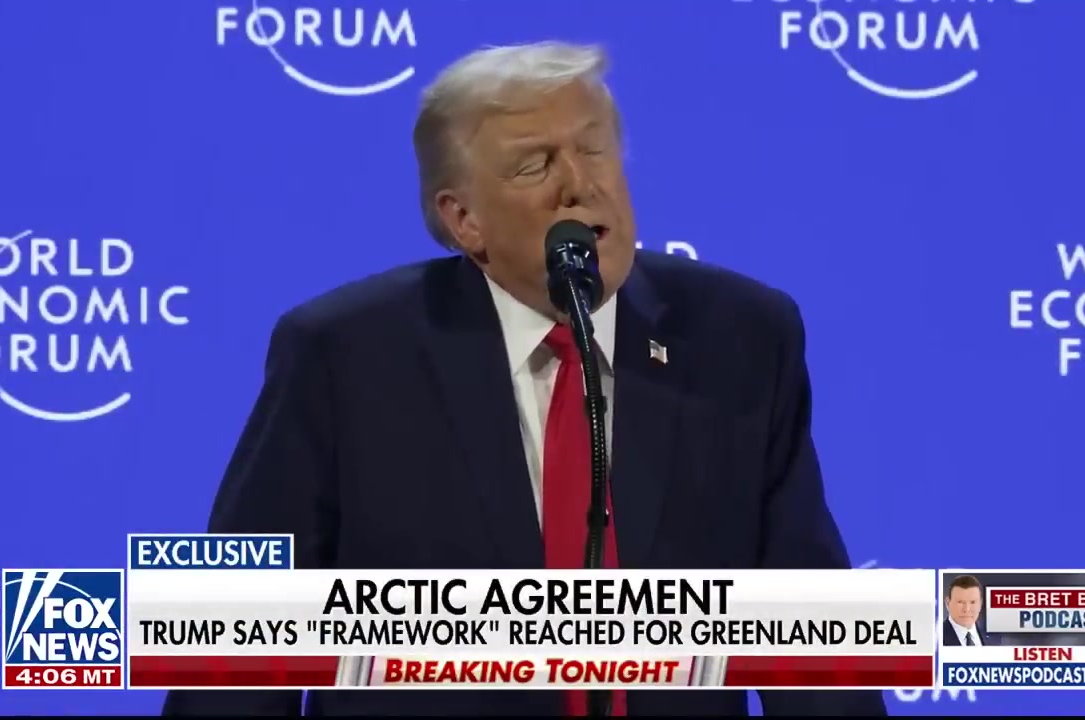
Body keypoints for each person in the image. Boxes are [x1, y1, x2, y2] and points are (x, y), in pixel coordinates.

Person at [163, 41, 885, 717]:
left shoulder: (740, 337)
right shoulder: (344, 357)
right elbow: (237, 643)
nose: (580, 184)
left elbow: (811, 636)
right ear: (464, 220)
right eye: (534, 166)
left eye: (594, 148)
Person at [942, 575, 987, 646]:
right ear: (948, 603)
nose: (966, 609)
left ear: (980, 604)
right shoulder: (935, 638)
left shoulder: (991, 637)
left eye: (972, 602)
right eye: (960, 602)